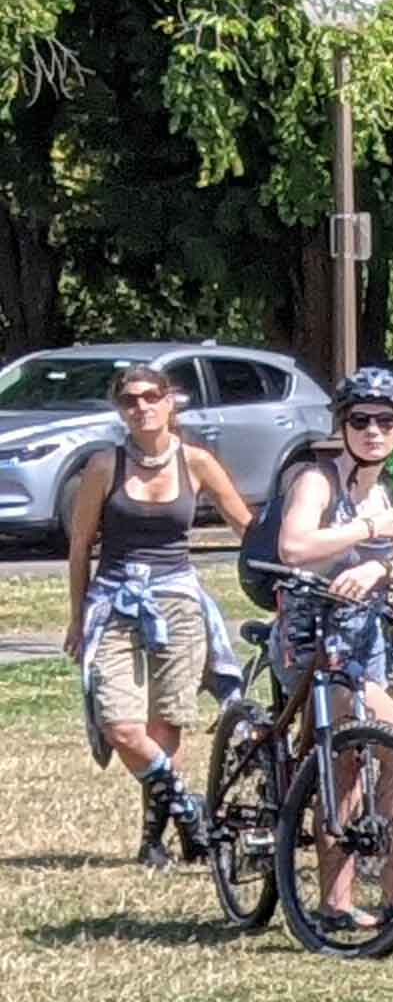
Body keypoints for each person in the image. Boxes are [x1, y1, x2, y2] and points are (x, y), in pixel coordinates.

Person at [276, 366, 393, 928]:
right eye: (361, 420)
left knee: (378, 755)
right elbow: (295, 547)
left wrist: (377, 566)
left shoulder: (387, 490)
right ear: (342, 425)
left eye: (387, 421)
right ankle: (347, 902)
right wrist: (361, 531)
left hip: (365, 638)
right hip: (312, 637)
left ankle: (392, 899)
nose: (375, 431)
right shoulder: (316, 481)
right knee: (379, 748)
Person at [62, 359, 253, 865]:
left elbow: (246, 527)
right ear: (119, 410)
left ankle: (154, 840)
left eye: (151, 396)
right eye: (130, 400)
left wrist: (282, 565)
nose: (142, 407)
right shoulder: (105, 465)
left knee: (167, 722)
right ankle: (191, 810)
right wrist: (77, 617)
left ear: (171, 402)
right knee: (119, 724)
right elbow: (80, 547)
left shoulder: (196, 462)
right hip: (115, 599)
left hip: (177, 601)